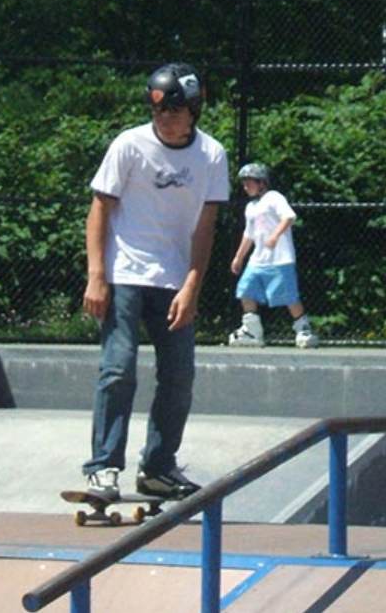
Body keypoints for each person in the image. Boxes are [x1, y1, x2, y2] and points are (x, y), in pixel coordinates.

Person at [80, 63, 229, 501]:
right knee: (118, 368)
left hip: (174, 279)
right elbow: (100, 209)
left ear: (194, 111)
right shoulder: (129, 144)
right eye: (158, 110)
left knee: (179, 376)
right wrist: (96, 276)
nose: (164, 118)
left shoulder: (212, 155)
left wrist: (192, 287)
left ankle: (158, 468)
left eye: (174, 111)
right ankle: (104, 467)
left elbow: (206, 227)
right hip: (124, 274)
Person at [227, 162, 318, 349]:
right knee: (245, 290)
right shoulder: (251, 207)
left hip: (280, 259)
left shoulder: (274, 198)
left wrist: (275, 236)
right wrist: (239, 257)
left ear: (261, 182)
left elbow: (289, 217)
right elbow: (248, 234)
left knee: (288, 296)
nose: (245, 187)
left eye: (249, 182)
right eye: (244, 183)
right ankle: (252, 331)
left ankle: (304, 329)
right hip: (257, 260)